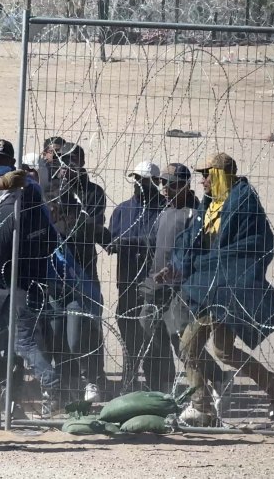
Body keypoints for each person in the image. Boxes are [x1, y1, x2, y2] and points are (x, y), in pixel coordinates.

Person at [160, 153, 274, 425]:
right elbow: (191, 243)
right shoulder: (212, 205)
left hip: (225, 288)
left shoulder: (243, 203)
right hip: (209, 285)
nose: (203, 180)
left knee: (188, 348)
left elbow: (258, 243)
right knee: (223, 351)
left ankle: (202, 407)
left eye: (207, 174)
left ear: (220, 174)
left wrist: (215, 264)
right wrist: (176, 266)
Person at [0, 174, 63, 416]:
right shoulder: (34, 212)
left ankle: (53, 388)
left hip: (11, 289)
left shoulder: (8, 214)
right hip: (14, 289)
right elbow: (48, 245)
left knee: (22, 343)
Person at [138, 163, 211, 394]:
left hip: (181, 286)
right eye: (162, 183)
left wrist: (176, 271)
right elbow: (154, 245)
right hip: (156, 284)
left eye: (170, 185)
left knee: (180, 337)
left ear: (184, 186)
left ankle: (217, 377)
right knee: (149, 325)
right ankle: (164, 382)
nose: (165, 189)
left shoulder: (195, 213)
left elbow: (195, 252)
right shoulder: (165, 210)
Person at [45, 142, 109, 401]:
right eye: (61, 161)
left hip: (82, 272)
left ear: (80, 163)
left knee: (83, 330)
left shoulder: (93, 193)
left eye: (71, 161)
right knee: (56, 331)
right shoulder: (51, 191)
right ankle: (64, 386)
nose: (65, 167)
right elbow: (50, 227)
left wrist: (65, 217)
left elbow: (88, 226)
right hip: (56, 274)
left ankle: (92, 378)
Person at [108, 161, 165, 390]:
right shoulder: (122, 210)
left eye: (145, 180)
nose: (140, 184)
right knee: (127, 328)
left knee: (151, 330)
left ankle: (155, 382)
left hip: (153, 282)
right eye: (137, 179)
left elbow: (161, 242)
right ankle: (129, 377)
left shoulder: (164, 209)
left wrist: (128, 243)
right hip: (127, 281)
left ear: (156, 182)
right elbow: (112, 241)